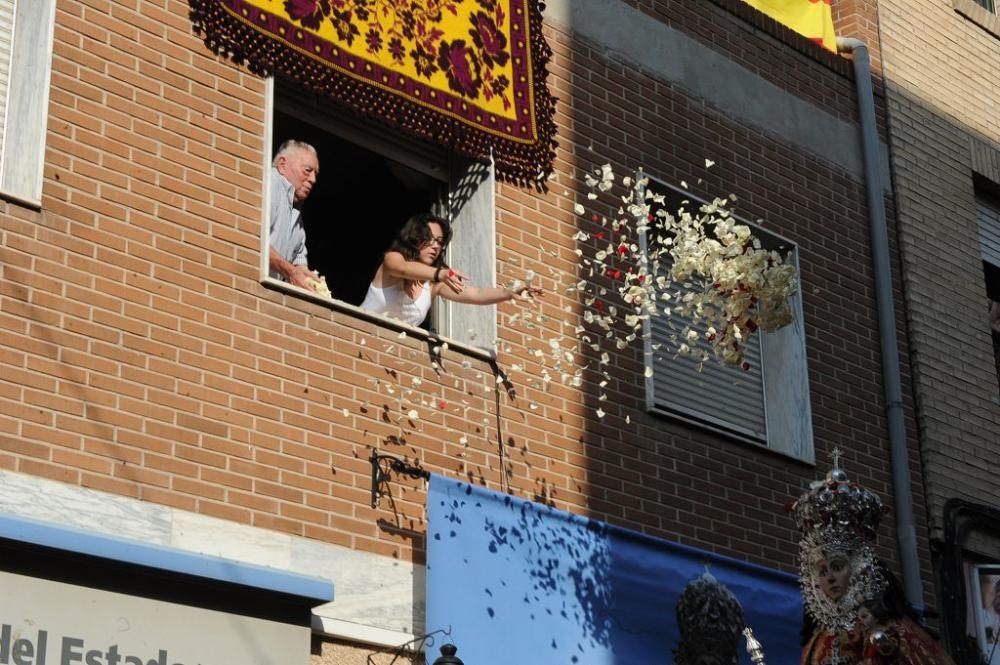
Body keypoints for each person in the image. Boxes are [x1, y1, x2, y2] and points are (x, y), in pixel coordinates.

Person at [360, 212, 543, 325]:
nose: (434, 246)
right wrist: (441, 273)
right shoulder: (393, 258)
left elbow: (476, 294)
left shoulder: (432, 285)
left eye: (439, 242)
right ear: (414, 238)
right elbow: (404, 269)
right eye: (428, 238)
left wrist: (510, 292)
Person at [854, 563, 957, 665]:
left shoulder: (899, 628)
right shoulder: (857, 629)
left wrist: (884, 643)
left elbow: (896, 648)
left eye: (865, 616)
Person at [269, 139, 324, 293]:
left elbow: (299, 266)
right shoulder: (271, 183)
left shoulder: (297, 216)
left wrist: (313, 283)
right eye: (307, 170)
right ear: (282, 164)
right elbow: (254, 240)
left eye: (315, 174)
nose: (313, 179)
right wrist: (291, 272)